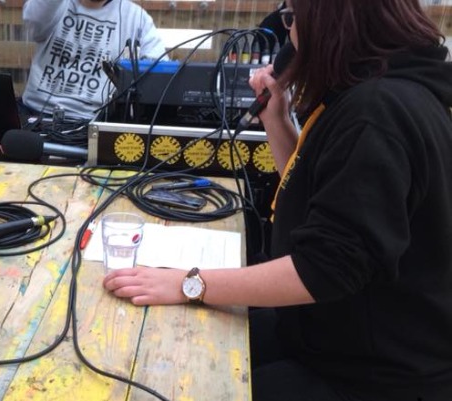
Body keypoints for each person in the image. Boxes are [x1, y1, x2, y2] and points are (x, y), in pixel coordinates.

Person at [103, 0, 452, 400]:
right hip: (328, 335)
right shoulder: (378, 93)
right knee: (182, 335)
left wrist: (189, 283)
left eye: (293, 18)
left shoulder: (376, 113)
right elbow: (316, 195)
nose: (289, 32)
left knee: (181, 383)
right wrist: (277, 119)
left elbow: (325, 267)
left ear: (329, 21)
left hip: (373, 375)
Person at [21, 0, 168, 122]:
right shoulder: (53, 4)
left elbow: (159, 70)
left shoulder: (136, 17)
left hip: (94, 121)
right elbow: (34, 21)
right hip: (34, 113)